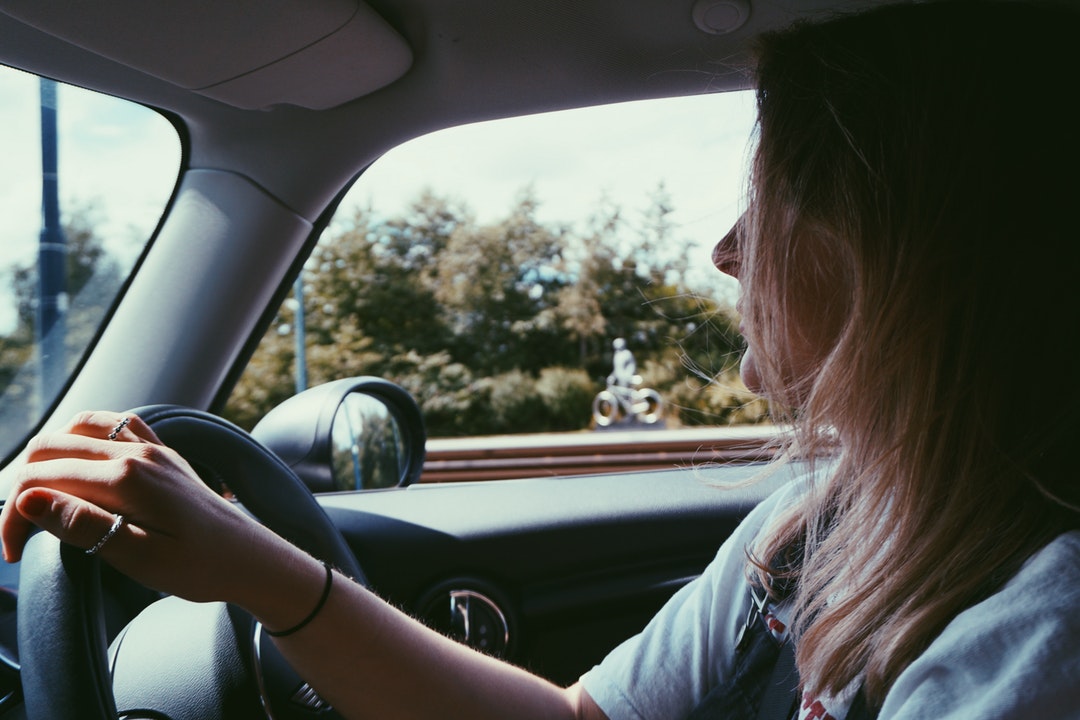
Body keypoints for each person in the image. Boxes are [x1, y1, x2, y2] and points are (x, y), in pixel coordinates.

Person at [3, 1, 1080, 718]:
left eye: (776, 193)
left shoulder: (1043, 630)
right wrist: (262, 572)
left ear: (901, 244)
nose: (726, 250)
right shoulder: (821, 520)